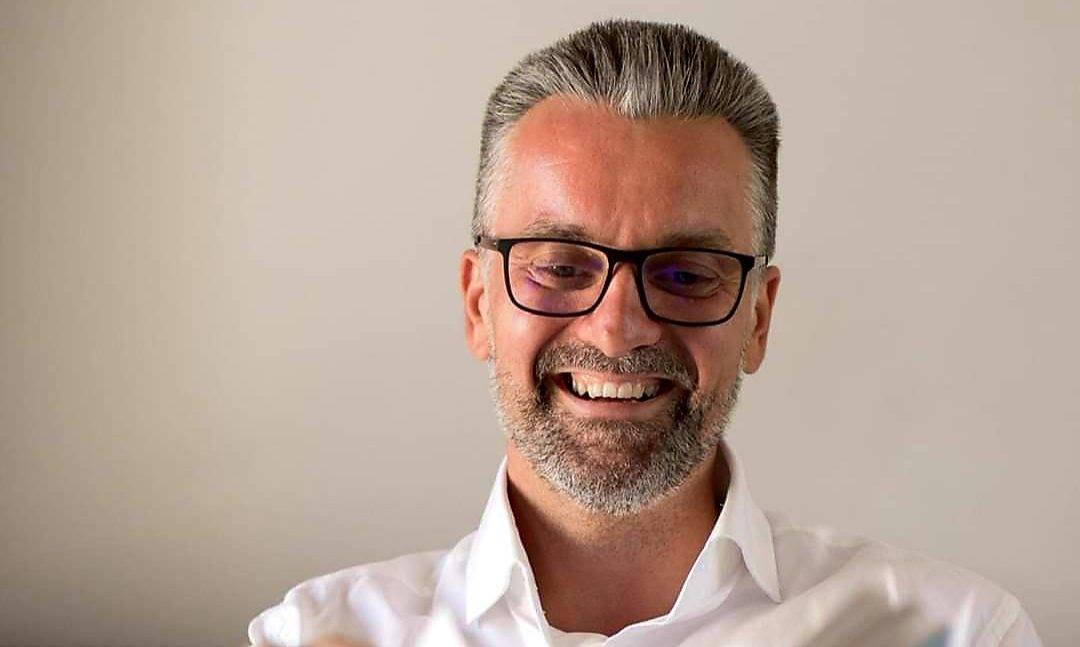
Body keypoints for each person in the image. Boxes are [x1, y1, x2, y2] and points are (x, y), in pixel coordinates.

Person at [247, 19, 1041, 647]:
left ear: (758, 318)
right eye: (560, 266)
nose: (618, 328)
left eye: (687, 272)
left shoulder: (960, 632)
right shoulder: (315, 634)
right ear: (477, 303)